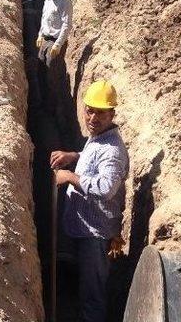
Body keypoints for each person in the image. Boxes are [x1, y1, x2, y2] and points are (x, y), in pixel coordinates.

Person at [51, 80, 129, 322]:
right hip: (83, 228)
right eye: (89, 110)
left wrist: (70, 176)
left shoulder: (113, 150)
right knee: (83, 285)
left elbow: (106, 188)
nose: (93, 118)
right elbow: (94, 158)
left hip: (96, 235)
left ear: (112, 114)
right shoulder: (99, 137)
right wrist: (74, 155)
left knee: (92, 296)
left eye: (101, 113)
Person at [36, 0, 74, 142]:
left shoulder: (65, 2)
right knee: (42, 71)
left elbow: (66, 26)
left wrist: (58, 44)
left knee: (54, 77)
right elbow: (44, 18)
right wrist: (39, 35)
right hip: (45, 39)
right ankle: (45, 103)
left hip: (55, 42)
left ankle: (58, 112)